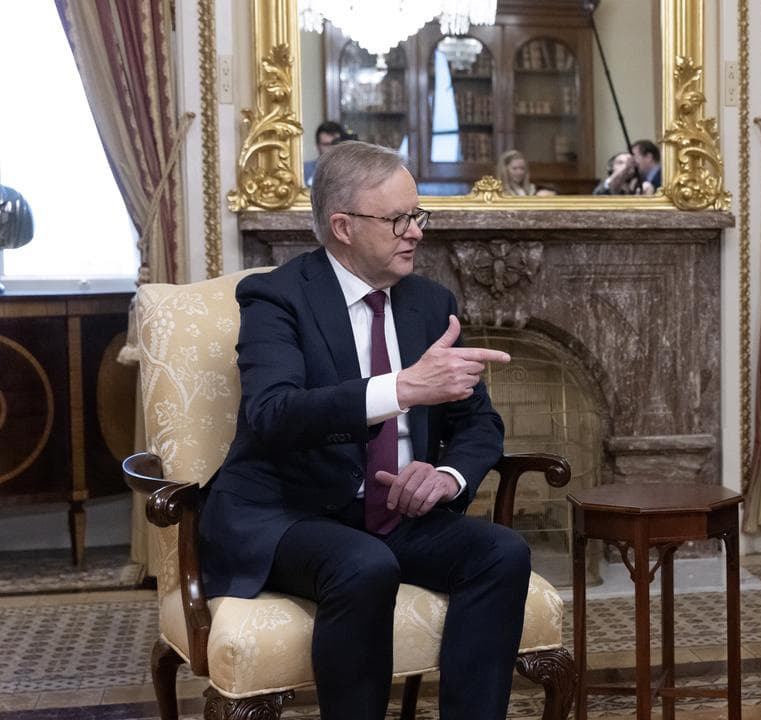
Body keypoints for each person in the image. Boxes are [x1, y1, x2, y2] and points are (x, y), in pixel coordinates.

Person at [198, 140, 529, 720]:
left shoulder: (430, 303)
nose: (416, 232)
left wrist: (447, 477)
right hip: (288, 512)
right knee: (363, 563)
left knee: (501, 552)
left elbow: (479, 422)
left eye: (418, 215)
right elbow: (273, 414)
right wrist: (400, 389)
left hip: (394, 509)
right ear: (343, 226)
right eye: (399, 219)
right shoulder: (277, 298)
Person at [303, 120, 348, 186]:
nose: (331, 148)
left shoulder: (351, 171)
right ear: (317, 146)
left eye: (335, 143)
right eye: (326, 144)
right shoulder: (304, 170)